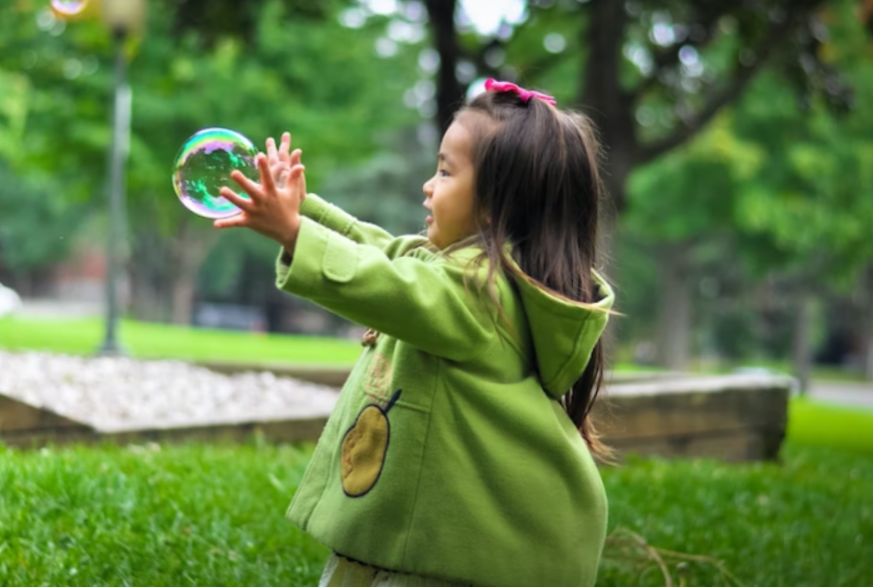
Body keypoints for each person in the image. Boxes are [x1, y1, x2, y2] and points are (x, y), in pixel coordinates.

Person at [213, 78, 616, 587]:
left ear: (495, 206)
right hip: (425, 539)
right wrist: (305, 210)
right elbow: (383, 252)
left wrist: (295, 233)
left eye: (446, 172)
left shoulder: (480, 293)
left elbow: (385, 281)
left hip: (450, 561)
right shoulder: (463, 272)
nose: (429, 185)